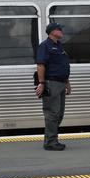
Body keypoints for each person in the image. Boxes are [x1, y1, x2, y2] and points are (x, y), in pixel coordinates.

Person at [35, 22, 71, 151]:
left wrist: (67, 83)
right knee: (52, 113)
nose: (61, 31)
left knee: (59, 114)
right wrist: (42, 83)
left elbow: (62, 66)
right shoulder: (45, 46)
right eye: (58, 29)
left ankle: (52, 139)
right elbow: (40, 65)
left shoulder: (59, 46)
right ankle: (50, 142)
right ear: (51, 32)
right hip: (51, 83)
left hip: (61, 83)